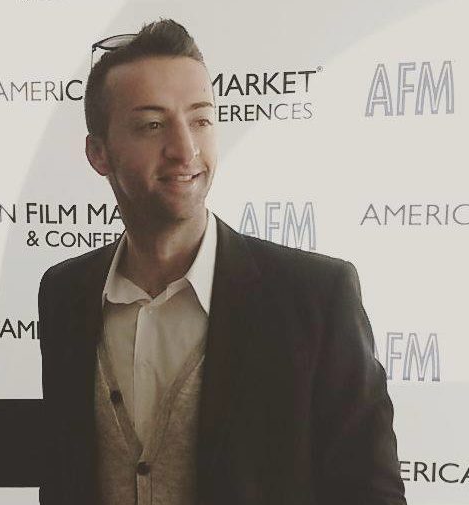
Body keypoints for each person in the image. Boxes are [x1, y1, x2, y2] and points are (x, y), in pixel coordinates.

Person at [37, 19, 406, 505]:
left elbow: (372, 494)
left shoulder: (316, 297)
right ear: (98, 154)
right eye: (152, 125)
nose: (185, 149)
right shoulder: (65, 292)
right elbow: (65, 473)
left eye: (201, 120)